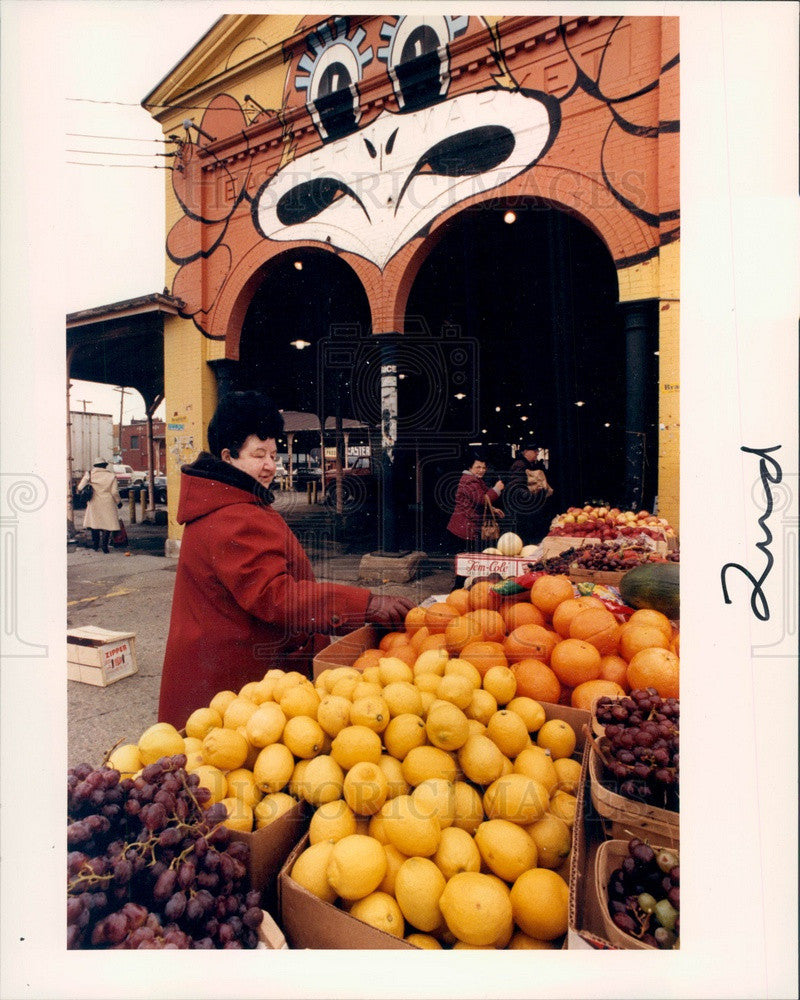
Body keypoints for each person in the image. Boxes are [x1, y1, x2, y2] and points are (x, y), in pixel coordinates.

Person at [158, 391, 414, 729]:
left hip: (229, 671)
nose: (269, 465)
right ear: (227, 457)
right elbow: (275, 595)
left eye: (273, 454)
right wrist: (365, 605)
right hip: (233, 683)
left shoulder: (234, 503)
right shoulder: (232, 516)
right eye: (258, 454)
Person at [445, 455, 504, 587]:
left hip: (466, 527)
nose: (481, 470)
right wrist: (497, 489)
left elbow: (477, 500)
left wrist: (492, 509)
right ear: (470, 468)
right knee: (465, 564)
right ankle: (458, 591)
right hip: (463, 529)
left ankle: (463, 589)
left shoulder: (474, 480)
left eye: (484, 467)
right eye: (478, 467)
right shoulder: (469, 481)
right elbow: (482, 500)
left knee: (467, 563)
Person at [504, 442, 553, 544]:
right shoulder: (520, 465)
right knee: (525, 538)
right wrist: (533, 494)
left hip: (528, 508)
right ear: (525, 452)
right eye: (534, 451)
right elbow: (515, 488)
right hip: (523, 510)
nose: (536, 453)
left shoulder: (529, 464)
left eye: (537, 451)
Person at [76, 458, 121, 553]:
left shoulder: (89, 474)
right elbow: (114, 492)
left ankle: (96, 546)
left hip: (94, 502)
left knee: (94, 524)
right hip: (108, 502)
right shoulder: (111, 476)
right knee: (108, 524)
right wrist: (118, 502)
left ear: (95, 466)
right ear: (105, 466)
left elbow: (80, 487)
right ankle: (105, 546)